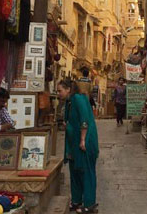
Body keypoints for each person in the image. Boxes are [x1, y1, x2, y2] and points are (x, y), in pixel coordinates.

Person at [58, 79, 99, 214]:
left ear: (68, 89)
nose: (58, 94)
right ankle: (76, 201)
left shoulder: (78, 99)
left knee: (86, 172)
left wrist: (82, 140)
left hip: (84, 142)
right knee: (75, 171)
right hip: (74, 143)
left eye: (60, 91)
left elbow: (84, 120)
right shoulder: (69, 102)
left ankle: (89, 204)